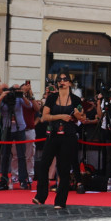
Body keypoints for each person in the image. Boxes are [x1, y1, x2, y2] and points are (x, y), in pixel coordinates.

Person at [33, 73, 85, 207]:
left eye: (65, 80)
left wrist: (77, 115)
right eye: (60, 80)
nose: (62, 82)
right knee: (44, 164)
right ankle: (41, 196)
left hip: (68, 136)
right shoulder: (52, 98)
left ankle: (60, 201)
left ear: (69, 83)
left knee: (64, 169)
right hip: (53, 134)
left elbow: (82, 117)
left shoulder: (75, 99)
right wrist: (61, 116)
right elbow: (45, 116)